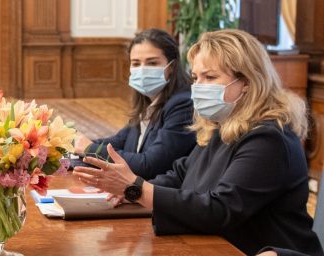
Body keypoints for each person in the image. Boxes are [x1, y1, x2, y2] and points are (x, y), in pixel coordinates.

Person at [75, 29, 323, 256]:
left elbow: (220, 209)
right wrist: (130, 192)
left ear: (247, 82)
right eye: (195, 78)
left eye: (210, 77)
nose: (197, 88)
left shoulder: (269, 138)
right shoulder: (224, 124)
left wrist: (137, 188)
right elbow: (180, 174)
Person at [73, 28, 196, 179]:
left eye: (152, 63)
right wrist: (72, 145)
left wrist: (90, 149)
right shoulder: (149, 99)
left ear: (171, 67)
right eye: (136, 64)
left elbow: (150, 165)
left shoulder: (183, 104)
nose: (142, 70)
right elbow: (119, 141)